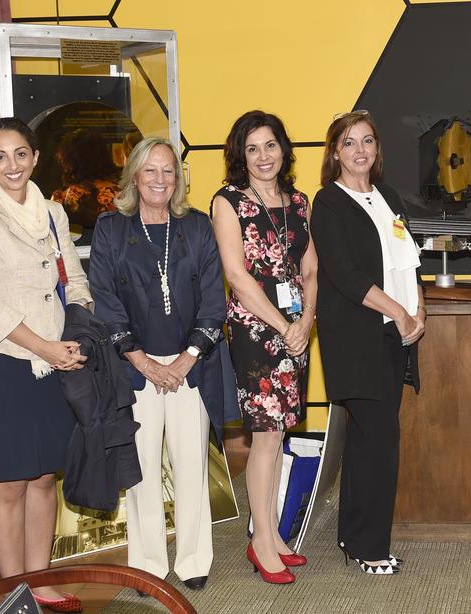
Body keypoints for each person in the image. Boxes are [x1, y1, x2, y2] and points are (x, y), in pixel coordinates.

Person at [0, 117, 91, 612]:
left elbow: (74, 280)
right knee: (8, 484)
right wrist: (44, 347)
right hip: (0, 364)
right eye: (0, 156)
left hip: (55, 362)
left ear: (35, 157)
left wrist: (76, 334)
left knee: (43, 478)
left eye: (21, 154)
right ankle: (14, 592)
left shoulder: (52, 212)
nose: (13, 165)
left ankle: (41, 580)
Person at [89, 137, 236, 592]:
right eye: (150, 170)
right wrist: (143, 360)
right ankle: (149, 565)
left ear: (178, 179)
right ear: (134, 175)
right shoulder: (111, 228)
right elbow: (105, 300)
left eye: (168, 171)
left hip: (191, 366)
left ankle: (194, 560)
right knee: (142, 471)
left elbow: (215, 298)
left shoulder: (196, 226)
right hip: (135, 368)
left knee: (192, 465)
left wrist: (188, 358)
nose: (159, 179)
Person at [311, 111, 424, 575]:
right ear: (335, 151)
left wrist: (419, 308)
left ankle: (353, 537)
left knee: (364, 440)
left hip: (395, 336)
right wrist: (398, 312)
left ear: (377, 149)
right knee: (380, 441)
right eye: (350, 142)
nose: (360, 150)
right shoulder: (328, 203)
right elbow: (345, 274)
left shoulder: (388, 197)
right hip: (360, 338)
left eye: (368, 141)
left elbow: (407, 261)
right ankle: (372, 546)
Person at [211, 111, 317, 584]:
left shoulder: (298, 200)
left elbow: (311, 267)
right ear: (240, 155)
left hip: (296, 326)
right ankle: (259, 543)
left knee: (280, 437)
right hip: (256, 330)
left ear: (283, 149)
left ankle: (272, 535)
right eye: (252, 148)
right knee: (265, 437)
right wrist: (283, 325)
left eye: (270, 145)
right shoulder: (228, 202)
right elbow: (236, 276)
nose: (263, 156)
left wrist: (306, 319)